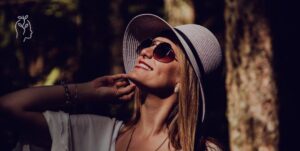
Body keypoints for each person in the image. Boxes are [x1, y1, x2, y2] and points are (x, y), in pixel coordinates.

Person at [0, 14, 223, 151]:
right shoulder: (96, 133)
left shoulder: (202, 149)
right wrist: (84, 91)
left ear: (183, 82)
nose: (145, 51)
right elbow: (9, 107)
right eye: (148, 43)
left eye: (163, 51)